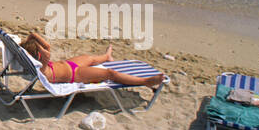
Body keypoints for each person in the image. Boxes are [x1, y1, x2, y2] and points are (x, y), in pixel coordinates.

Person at [19, 32, 164, 87]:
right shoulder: (42, 68)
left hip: (69, 64)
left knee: (89, 58)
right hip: (76, 75)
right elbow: (47, 53)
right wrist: (36, 42)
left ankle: (107, 57)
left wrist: (32, 37)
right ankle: (145, 82)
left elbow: (46, 46)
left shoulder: (37, 60)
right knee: (110, 73)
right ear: (39, 56)